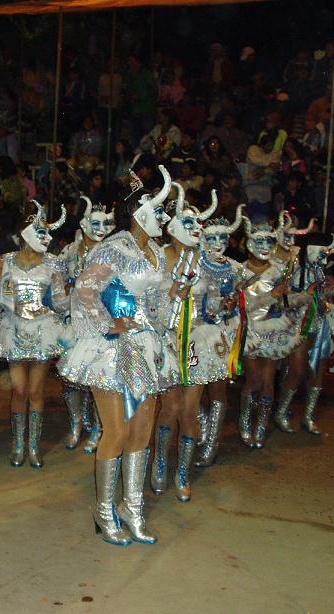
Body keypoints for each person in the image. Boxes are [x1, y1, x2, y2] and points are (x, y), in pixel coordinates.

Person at [58, 167, 174, 546]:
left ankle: (132, 508)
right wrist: (109, 325)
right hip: (111, 350)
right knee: (118, 431)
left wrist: (170, 305)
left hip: (146, 347)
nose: (165, 217)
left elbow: (156, 300)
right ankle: (104, 510)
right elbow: (85, 289)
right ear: (140, 213)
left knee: (143, 431)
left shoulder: (155, 252)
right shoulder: (115, 247)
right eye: (160, 211)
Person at [149, 181, 218, 503]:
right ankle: (160, 463)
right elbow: (145, 299)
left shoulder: (207, 262)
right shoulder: (158, 258)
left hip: (194, 345)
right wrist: (170, 294)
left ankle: (183, 474)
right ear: (173, 228)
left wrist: (221, 308)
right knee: (170, 407)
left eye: (198, 223)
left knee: (189, 411)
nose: (196, 228)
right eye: (188, 222)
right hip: (166, 341)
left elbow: (214, 304)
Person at [0, 202, 69, 468]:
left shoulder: (54, 265)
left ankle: (33, 445)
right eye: (41, 232)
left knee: (35, 390)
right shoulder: (4, 262)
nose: (48, 238)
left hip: (44, 330)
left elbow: (59, 302)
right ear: (25, 234)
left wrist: (78, 299)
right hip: (13, 330)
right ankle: (18, 443)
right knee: (20, 389)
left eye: (48, 233)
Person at [275, 234, 334, 435]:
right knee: (297, 371)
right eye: (320, 253)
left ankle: (308, 417)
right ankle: (281, 412)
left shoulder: (324, 276)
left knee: (317, 372)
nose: (323, 259)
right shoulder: (293, 272)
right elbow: (282, 302)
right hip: (298, 327)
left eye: (326, 254)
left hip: (320, 327)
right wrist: (307, 294)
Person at [59, 196, 116, 452]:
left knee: (97, 377)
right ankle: (75, 425)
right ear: (84, 223)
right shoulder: (70, 251)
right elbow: (57, 282)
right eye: (95, 222)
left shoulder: (112, 254)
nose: (100, 228)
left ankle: (97, 429)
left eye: (106, 223)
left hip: (99, 321)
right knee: (71, 379)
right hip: (72, 322)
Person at [239, 216, 302, 448]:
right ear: (249, 244)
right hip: (249, 330)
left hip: (274, 330)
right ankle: (244, 423)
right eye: (260, 242)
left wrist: (306, 295)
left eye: (269, 242)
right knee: (253, 380)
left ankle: (260, 428)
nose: (265, 247)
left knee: (268, 381)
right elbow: (242, 304)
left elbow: (286, 302)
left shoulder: (280, 271)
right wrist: (271, 295)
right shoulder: (240, 271)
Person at [194, 205, 248, 467]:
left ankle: (212, 443)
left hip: (219, 337)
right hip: (190, 335)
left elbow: (243, 301)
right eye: (211, 238)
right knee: (190, 391)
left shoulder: (237, 269)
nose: (217, 243)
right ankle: (203, 431)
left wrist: (231, 306)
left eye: (222, 238)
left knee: (217, 390)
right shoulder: (192, 264)